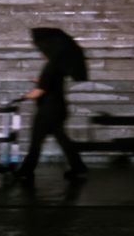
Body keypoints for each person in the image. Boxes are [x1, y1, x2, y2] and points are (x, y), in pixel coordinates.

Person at [16, 27, 88, 182]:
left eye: (42, 49)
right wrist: (39, 82)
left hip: (48, 110)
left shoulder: (49, 67)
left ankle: (25, 170)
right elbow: (49, 84)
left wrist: (23, 97)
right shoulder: (58, 67)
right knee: (62, 139)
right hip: (59, 108)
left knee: (36, 140)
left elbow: (39, 92)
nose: (41, 51)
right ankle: (78, 167)